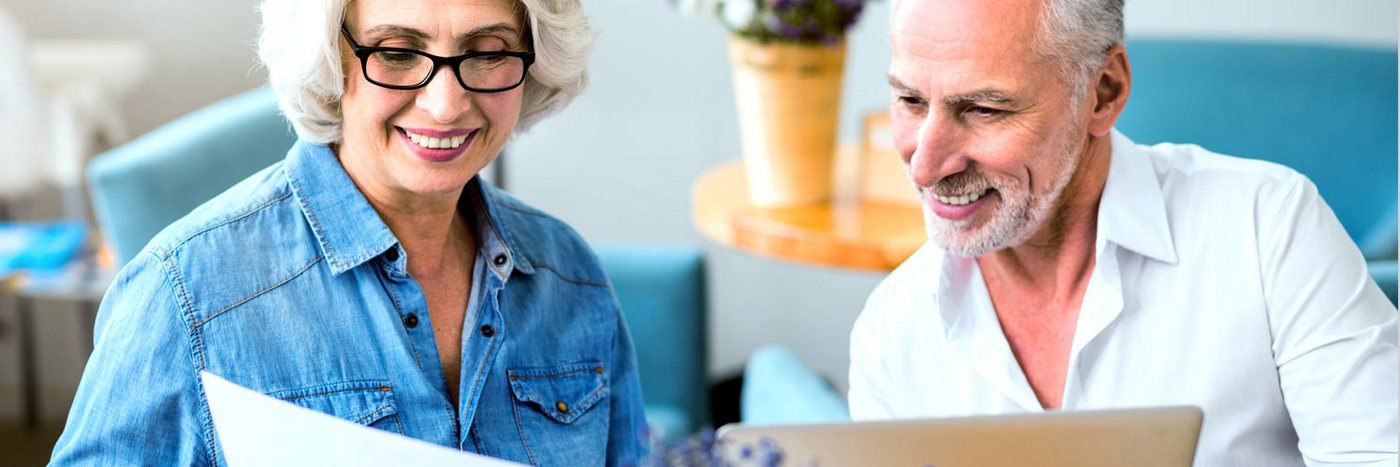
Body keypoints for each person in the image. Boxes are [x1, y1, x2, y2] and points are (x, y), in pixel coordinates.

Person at [50, 0, 647, 464]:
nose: (445, 104)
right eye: (397, 52)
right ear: (328, 59)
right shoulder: (184, 294)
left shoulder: (570, 275)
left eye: (488, 52)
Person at [848, 0, 1398, 465]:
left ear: (1104, 92)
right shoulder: (892, 331)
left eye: (986, 109)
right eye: (910, 101)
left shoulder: (1269, 229)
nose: (923, 166)